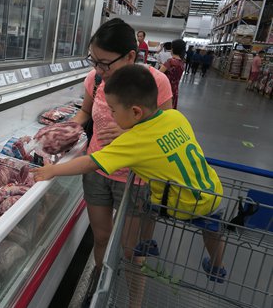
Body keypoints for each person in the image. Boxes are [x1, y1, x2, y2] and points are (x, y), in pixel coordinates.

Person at [31, 64, 226, 305]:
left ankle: (137, 258)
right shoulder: (175, 116)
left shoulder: (135, 140)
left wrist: (53, 170)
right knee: (213, 228)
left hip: (182, 205)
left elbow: (91, 163)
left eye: (112, 110)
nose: (109, 116)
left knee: (142, 224)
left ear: (135, 112)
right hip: (212, 191)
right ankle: (217, 266)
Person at [76, 18, 173, 307]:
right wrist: (69, 127)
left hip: (137, 177)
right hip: (97, 170)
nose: (98, 70)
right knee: (102, 237)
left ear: (130, 56)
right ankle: (97, 291)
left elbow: (169, 128)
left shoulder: (156, 82)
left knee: (132, 250)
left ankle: (135, 302)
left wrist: (131, 131)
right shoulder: (94, 80)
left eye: (105, 63)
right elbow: (84, 112)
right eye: (94, 60)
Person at [159, 39, 185, 109]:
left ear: (172, 49)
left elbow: (159, 73)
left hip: (165, 89)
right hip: (174, 90)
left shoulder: (170, 61)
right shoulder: (182, 63)